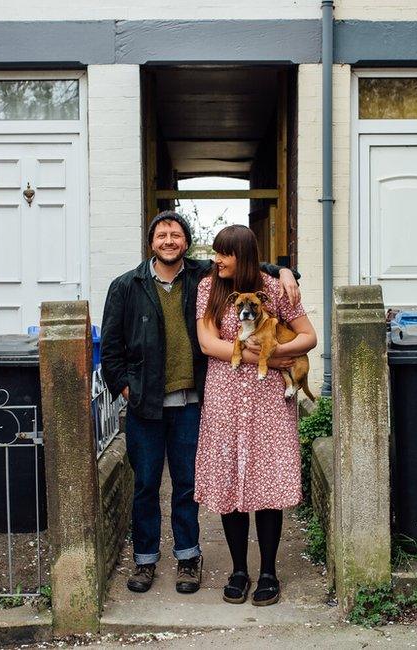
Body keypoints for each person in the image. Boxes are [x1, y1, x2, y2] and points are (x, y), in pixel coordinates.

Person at [100, 211, 300, 595]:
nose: (169, 241)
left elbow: (245, 265)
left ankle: (188, 558)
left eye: (176, 235)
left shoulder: (202, 277)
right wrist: (127, 389)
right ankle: (145, 562)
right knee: (144, 485)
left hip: (193, 401)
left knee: (186, 485)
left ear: (187, 242)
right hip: (146, 404)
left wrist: (287, 271)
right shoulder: (126, 286)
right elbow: (110, 348)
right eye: (162, 235)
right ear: (151, 242)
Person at [194, 224, 317, 607]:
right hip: (225, 398)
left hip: (268, 402)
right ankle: (238, 570)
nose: (217, 260)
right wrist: (253, 355)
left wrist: (283, 352)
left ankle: (267, 572)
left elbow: (308, 336)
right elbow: (207, 342)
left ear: (243, 256)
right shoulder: (208, 288)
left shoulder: (278, 289)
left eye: (224, 254)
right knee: (230, 482)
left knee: (267, 486)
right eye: (215, 253)